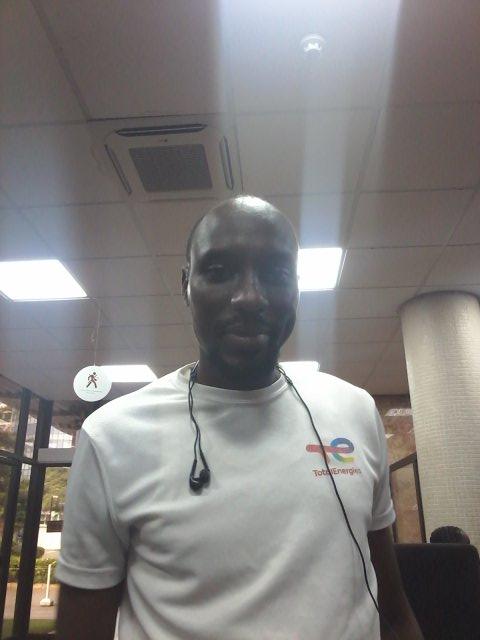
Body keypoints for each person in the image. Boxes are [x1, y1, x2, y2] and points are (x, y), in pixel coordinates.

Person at [56, 196, 423, 639]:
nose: (249, 297)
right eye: (218, 271)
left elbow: (395, 611)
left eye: (275, 273)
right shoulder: (113, 436)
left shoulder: (356, 412)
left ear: (296, 288)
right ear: (186, 285)